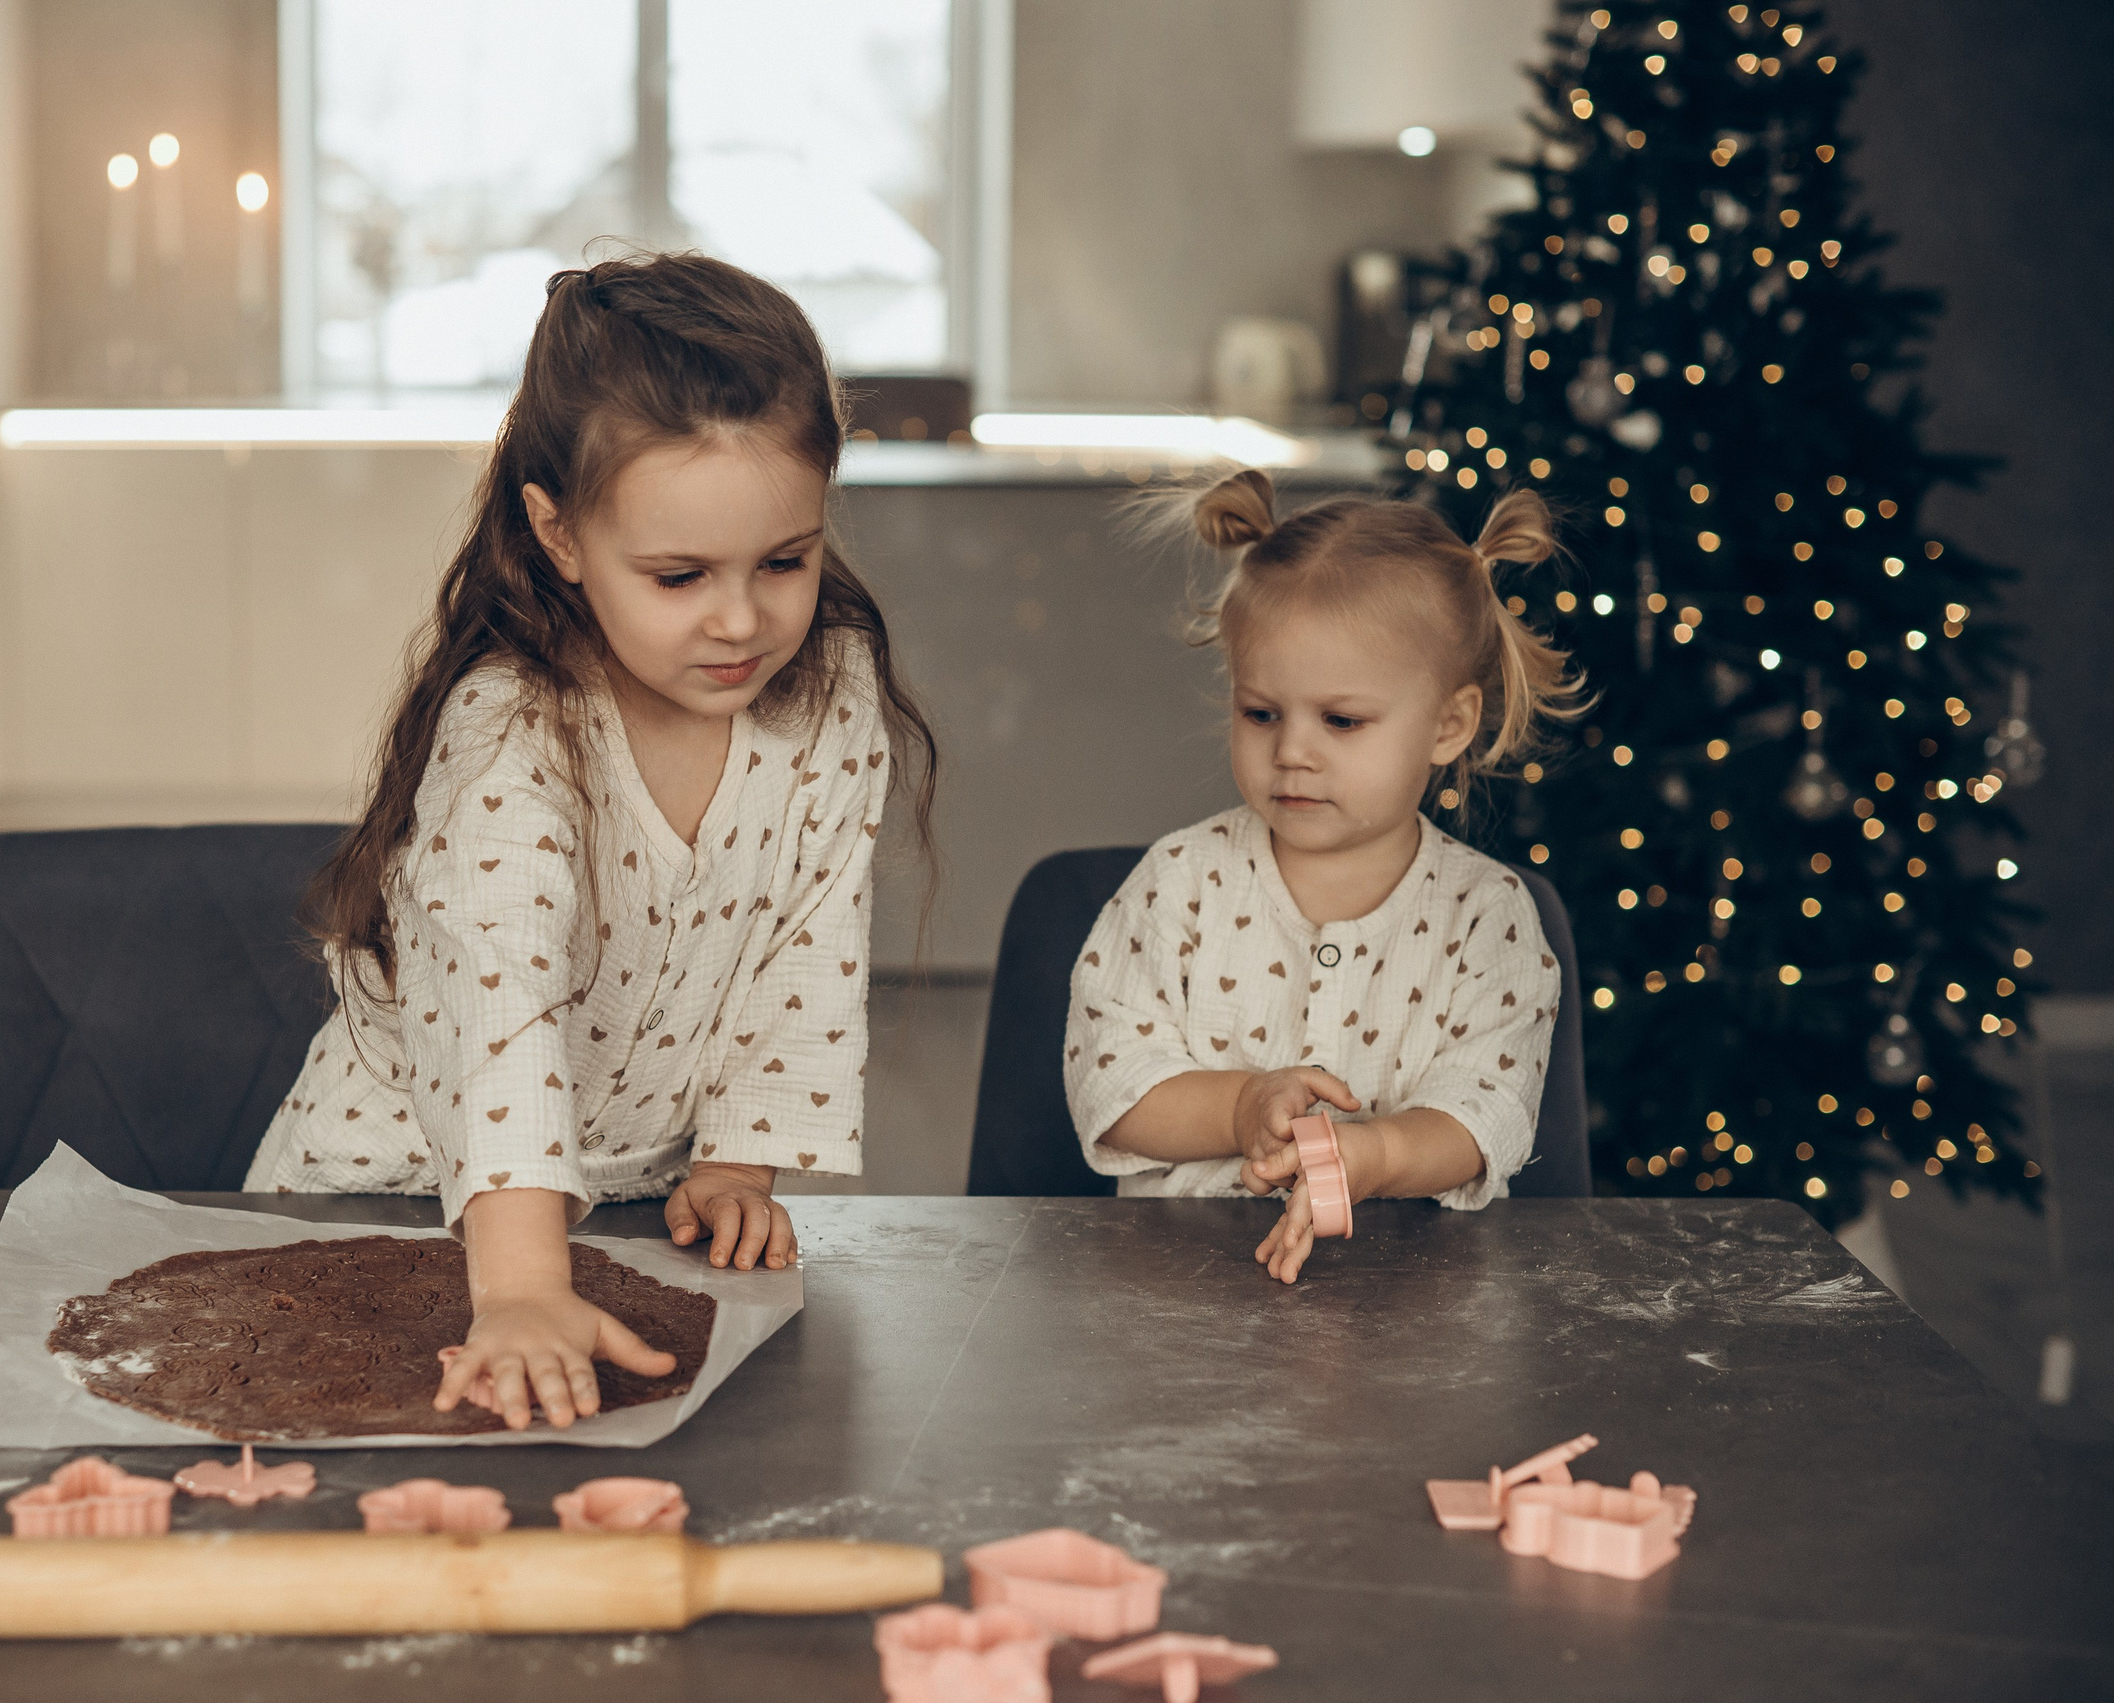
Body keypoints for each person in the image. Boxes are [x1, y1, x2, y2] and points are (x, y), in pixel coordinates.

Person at [246, 253, 934, 1426]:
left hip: (621, 1215)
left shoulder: (830, 693)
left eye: (786, 560)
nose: (741, 619)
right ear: (559, 535)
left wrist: (737, 1158)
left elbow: (806, 947)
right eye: (679, 575)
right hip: (394, 1201)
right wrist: (515, 1284)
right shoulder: (512, 728)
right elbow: (496, 995)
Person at [1064, 470, 1585, 1282]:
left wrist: (1372, 1153)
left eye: (1341, 720)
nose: (1292, 751)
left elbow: (1487, 1115)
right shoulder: (1178, 883)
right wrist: (1240, 1107)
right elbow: (1110, 1081)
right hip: (1182, 1291)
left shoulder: (1488, 917)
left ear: (1449, 724)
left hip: (1413, 1297)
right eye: (1261, 712)